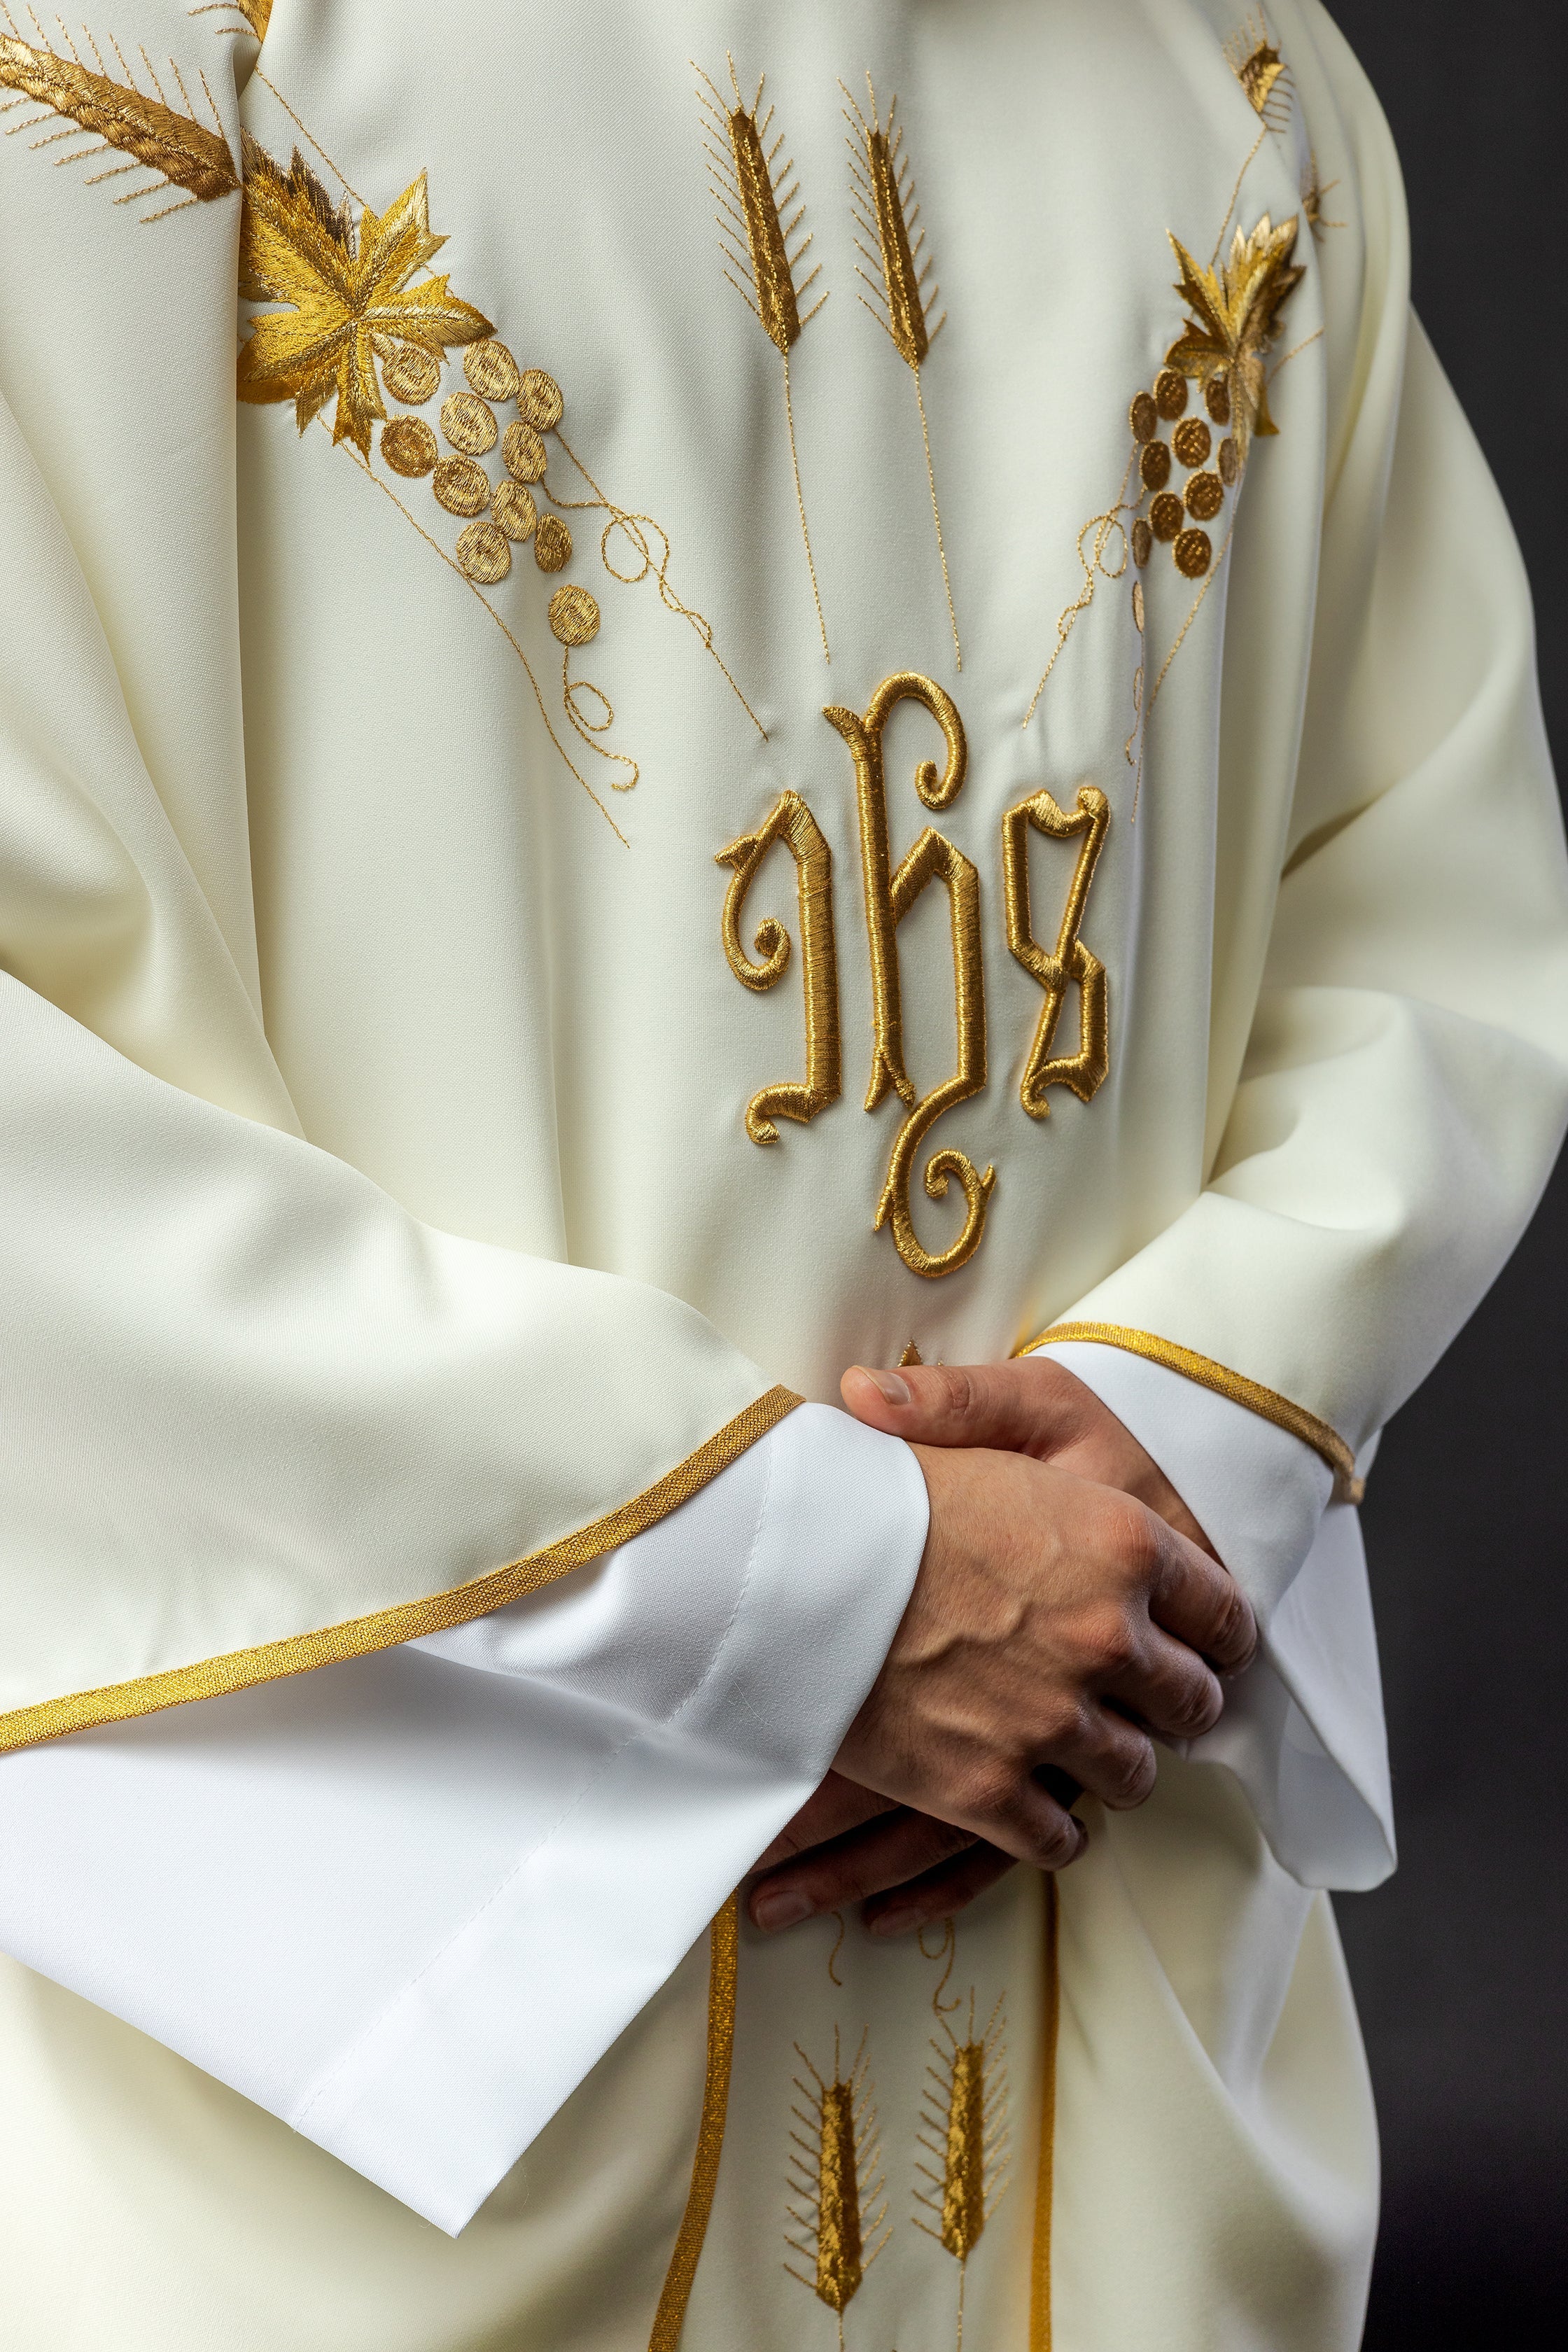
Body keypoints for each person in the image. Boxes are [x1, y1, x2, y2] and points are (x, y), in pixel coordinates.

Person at [0, 1, 1562, 2346]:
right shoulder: (111, 89)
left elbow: (1420, 895)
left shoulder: (1234, 74)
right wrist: (800, 1596)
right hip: (414, 2115)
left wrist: (1174, 1439)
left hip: (1100, 1988)